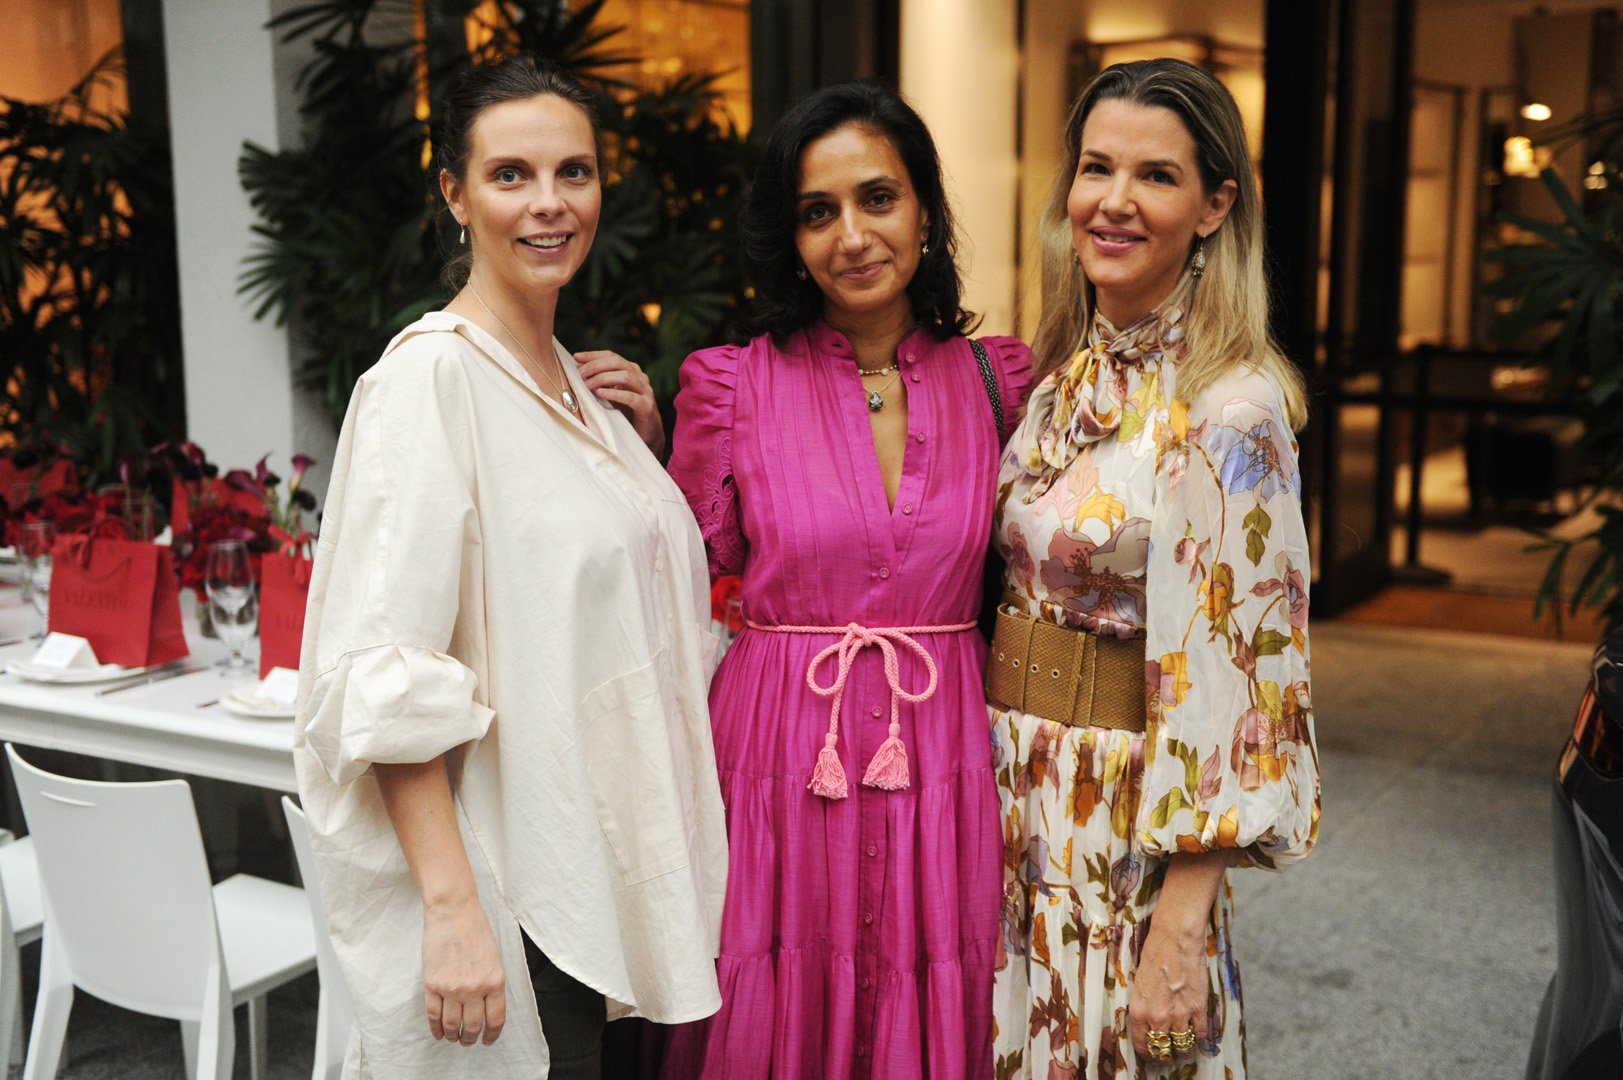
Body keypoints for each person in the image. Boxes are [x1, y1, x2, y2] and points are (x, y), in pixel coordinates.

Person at [292, 55, 728, 1080]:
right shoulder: (428, 380)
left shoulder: (582, 386)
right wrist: (452, 913)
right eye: (510, 175)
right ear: (454, 194)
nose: (549, 204)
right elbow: (383, 670)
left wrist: (640, 460)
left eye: (573, 173)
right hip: (512, 882)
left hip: (602, 870)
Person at [659, 82, 1034, 1079]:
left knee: (932, 977)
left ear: (925, 212)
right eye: (817, 212)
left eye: (878, 198)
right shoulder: (728, 385)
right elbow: (677, 571)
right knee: (773, 986)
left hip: (944, 748)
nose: (852, 235)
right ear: (789, 236)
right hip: (775, 753)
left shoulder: (1002, 381)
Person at [988, 58, 1320, 1078]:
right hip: (1009, 802)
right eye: (1096, 168)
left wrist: (1182, 921)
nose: (1114, 202)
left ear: (1216, 204)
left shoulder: (1232, 408)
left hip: (1119, 825)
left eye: (1157, 177)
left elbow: (1250, 678)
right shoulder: (1064, 374)